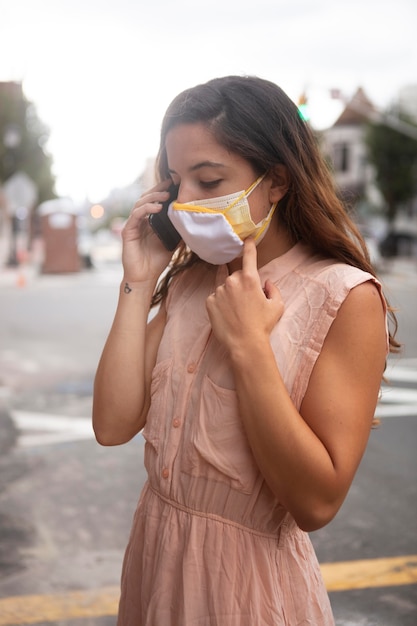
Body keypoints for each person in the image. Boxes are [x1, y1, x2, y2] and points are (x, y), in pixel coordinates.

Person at [92, 75, 399, 625]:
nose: (186, 202)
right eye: (176, 181)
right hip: (155, 565)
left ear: (277, 180)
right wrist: (138, 284)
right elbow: (113, 424)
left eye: (208, 180)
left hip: (246, 594)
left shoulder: (344, 297)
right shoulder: (191, 278)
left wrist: (249, 347)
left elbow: (316, 503)